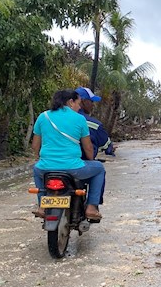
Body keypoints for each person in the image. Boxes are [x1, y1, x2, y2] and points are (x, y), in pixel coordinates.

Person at [31, 89, 105, 220]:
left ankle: (42, 205)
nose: (79, 106)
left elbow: (35, 146)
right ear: (71, 102)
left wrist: (40, 158)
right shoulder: (79, 119)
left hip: (45, 168)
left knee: (36, 169)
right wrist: (90, 159)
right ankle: (92, 207)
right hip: (73, 168)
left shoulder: (43, 117)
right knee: (99, 168)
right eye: (78, 103)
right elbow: (88, 147)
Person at [74, 87, 115, 159]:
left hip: (54, 163)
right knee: (99, 167)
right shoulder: (95, 125)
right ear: (83, 101)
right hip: (79, 164)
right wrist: (110, 148)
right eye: (91, 101)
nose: (93, 105)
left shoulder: (58, 119)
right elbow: (107, 147)